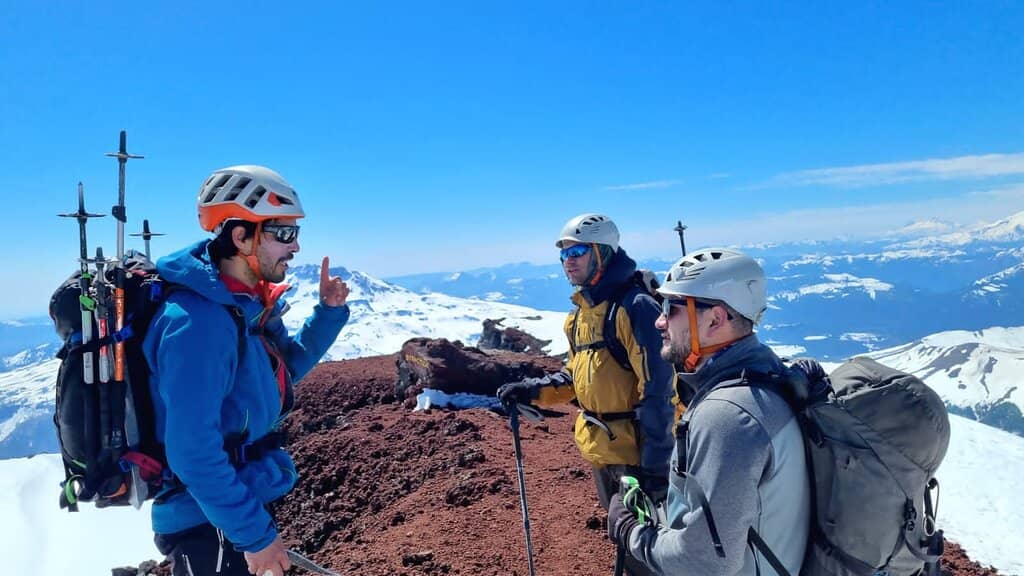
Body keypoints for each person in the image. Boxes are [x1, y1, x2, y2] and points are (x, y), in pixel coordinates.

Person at [143, 165, 350, 576]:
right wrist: (253, 535)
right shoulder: (198, 324)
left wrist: (328, 314)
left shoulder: (239, 305)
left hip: (233, 503)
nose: (295, 248)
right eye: (284, 234)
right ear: (241, 236)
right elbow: (193, 453)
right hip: (207, 524)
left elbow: (280, 372)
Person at [607, 248, 810, 575]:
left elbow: (703, 562)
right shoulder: (769, 374)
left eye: (671, 308)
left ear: (715, 318)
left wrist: (631, 531)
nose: (659, 321)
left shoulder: (727, 417)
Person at [499, 213, 675, 575]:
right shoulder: (580, 315)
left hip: (638, 456)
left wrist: (655, 466)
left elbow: (659, 390)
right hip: (605, 450)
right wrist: (531, 392)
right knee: (627, 542)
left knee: (649, 550)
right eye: (564, 253)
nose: (569, 260)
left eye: (578, 250)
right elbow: (577, 377)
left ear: (603, 252)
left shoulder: (635, 307)